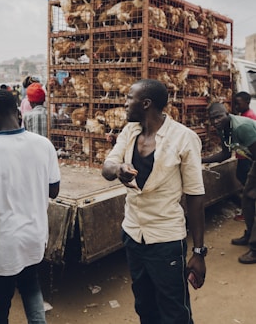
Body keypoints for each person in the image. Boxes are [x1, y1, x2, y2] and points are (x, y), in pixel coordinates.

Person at [102, 79, 206, 324]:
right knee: (145, 306)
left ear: (146, 103)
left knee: (174, 311)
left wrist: (199, 252)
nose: (125, 103)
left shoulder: (183, 138)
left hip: (165, 239)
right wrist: (118, 169)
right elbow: (107, 167)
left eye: (129, 98)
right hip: (133, 234)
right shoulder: (129, 132)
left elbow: (195, 195)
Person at [0, 89, 60, 323]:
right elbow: (53, 191)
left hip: (2, 243)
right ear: (18, 112)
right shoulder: (44, 145)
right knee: (31, 287)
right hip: (34, 237)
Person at [202, 102, 256, 264]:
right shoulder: (223, 128)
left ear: (227, 113)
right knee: (247, 198)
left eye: (219, 116)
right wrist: (200, 160)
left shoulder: (241, 127)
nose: (216, 121)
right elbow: (225, 154)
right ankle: (249, 233)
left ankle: (255, 249)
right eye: (213, 119)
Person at [233, 91, 256, 221]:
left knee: (247, 184)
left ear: (247, 103)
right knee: (242, 179)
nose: (236, 106)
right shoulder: (244, 114)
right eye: (235, 103)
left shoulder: (248, 117)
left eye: (238, 103)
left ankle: (247, 213)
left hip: (247, 157)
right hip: (243, 156)